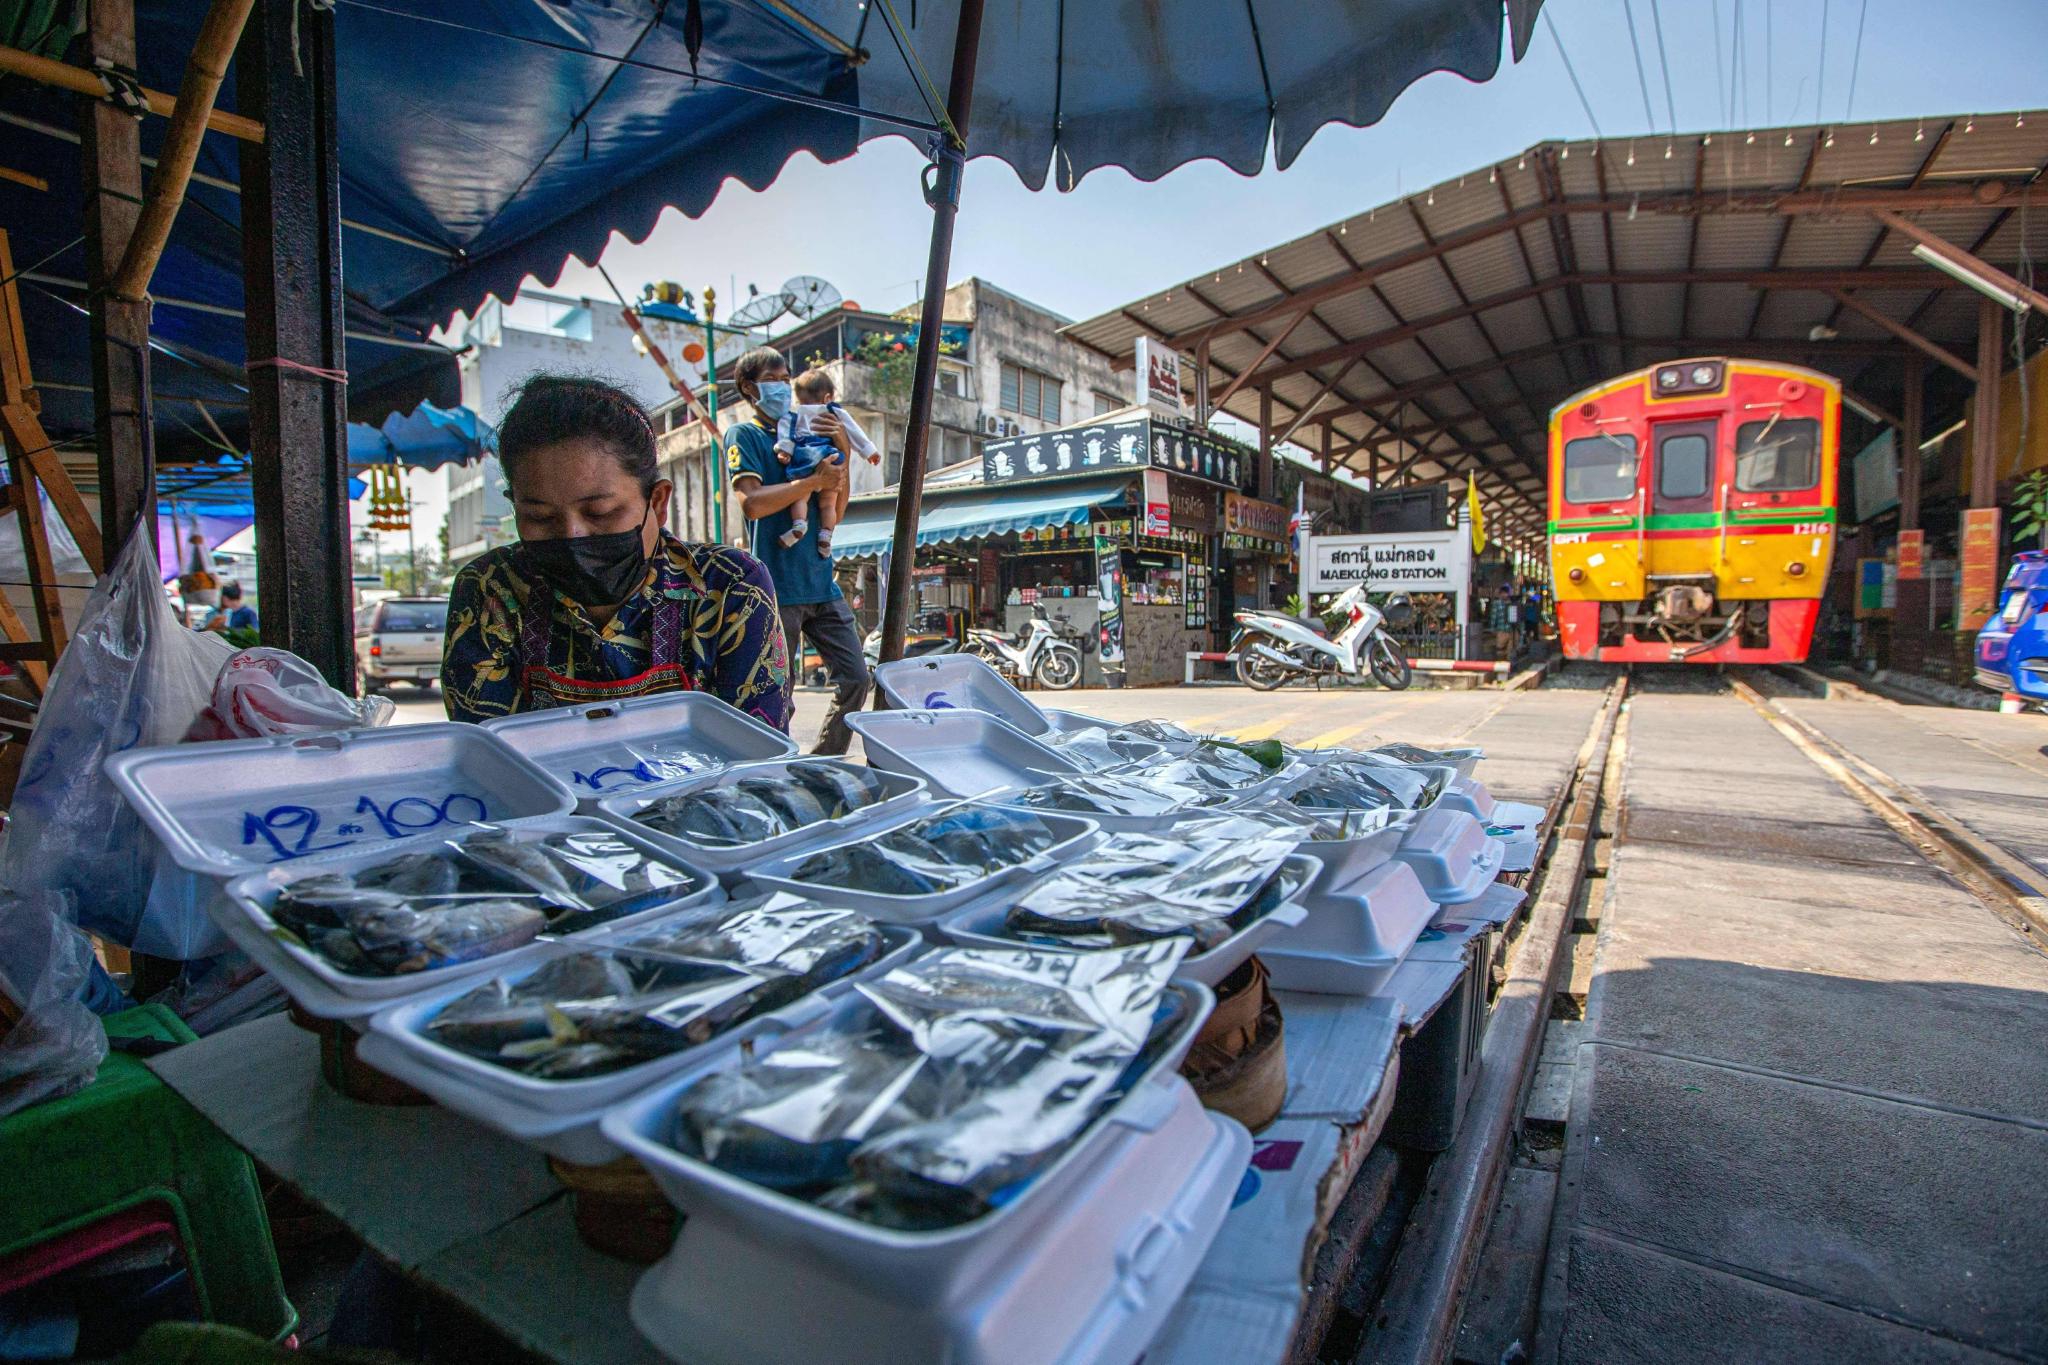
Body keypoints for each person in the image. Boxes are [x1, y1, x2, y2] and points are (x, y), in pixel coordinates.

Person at [440, 374, 789, 731]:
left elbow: (756, 758)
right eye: (539, 517)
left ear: (657, 501)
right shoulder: (490, 590)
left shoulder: (729, 585)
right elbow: (487, 758)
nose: (572, 536)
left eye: (600, 513)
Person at [726, 347, 869, 755]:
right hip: (777, 588)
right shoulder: (746, 436)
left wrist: (841, 449)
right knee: (778, 695)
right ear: (750, 387)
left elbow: (836, 513)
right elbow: (752, 503)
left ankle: (825, 760)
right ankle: (780, 772)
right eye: (774, 377)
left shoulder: (810, 430)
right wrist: (810, 483)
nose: (783, 385)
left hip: (822, 583)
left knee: (857, 677)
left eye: (786, 376)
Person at [773, 368, 880, 555]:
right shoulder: (833, 411)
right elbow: (853, 431)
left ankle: (798, 525)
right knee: (829, 503)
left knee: (800, 496)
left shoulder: (794, 415)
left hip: (805, 459)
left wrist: (785, 451)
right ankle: (826, 535)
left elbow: (786, 433)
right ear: (828, 397)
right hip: (831, 459)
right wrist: (869, 451)